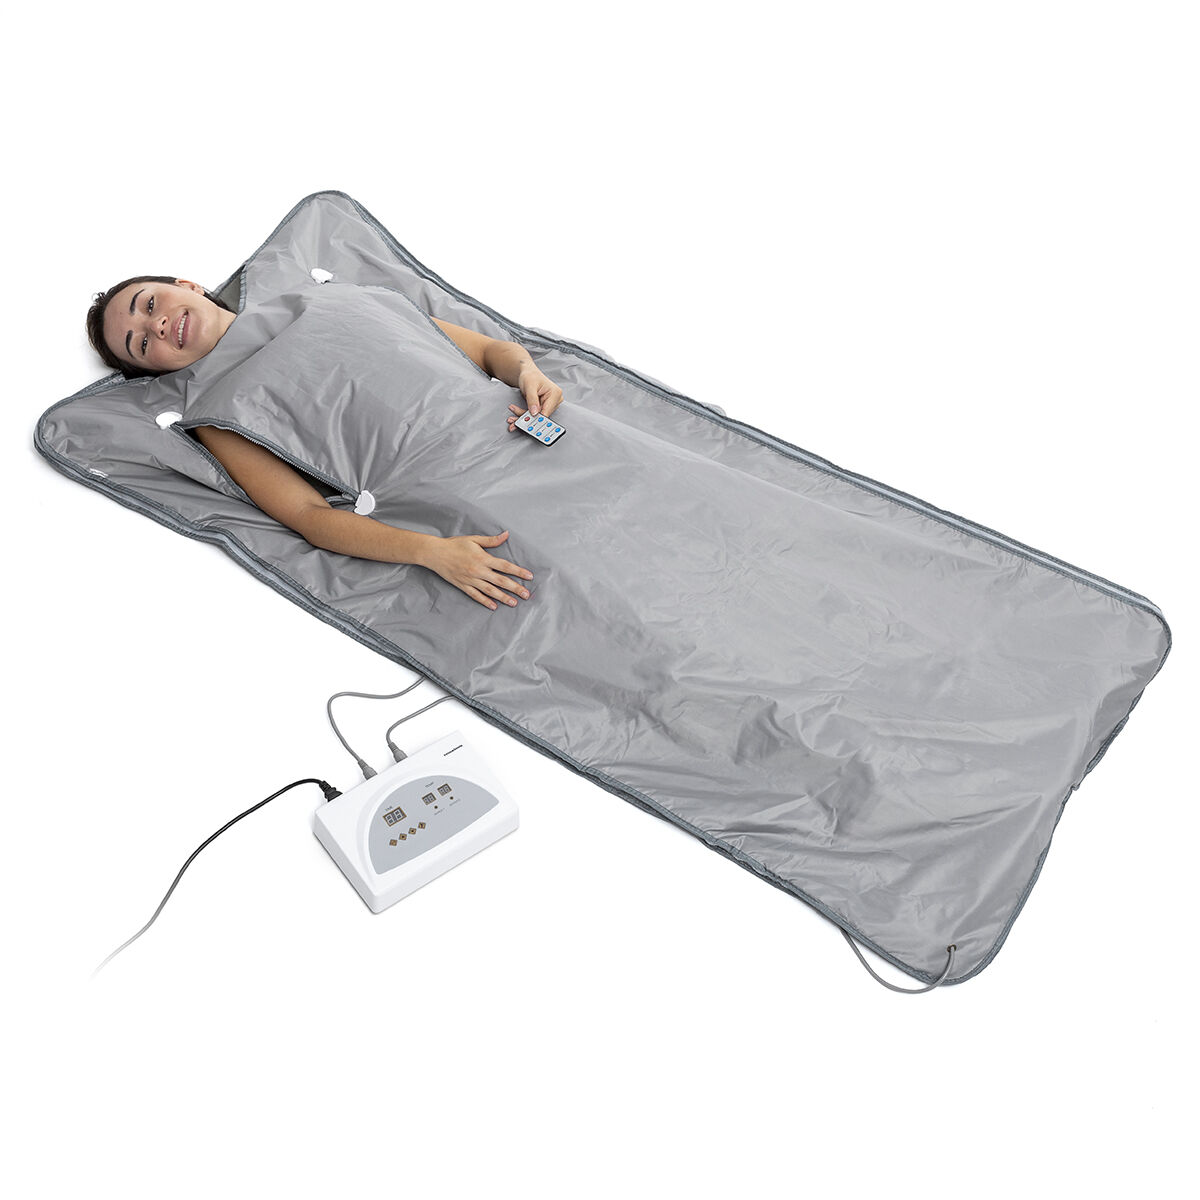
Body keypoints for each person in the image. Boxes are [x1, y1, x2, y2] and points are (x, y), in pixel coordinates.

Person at [85, 275, 566, 613]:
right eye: (141, 344)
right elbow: (309, 517)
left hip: (523, 425)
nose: (156, 326)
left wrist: (527, 372)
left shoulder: (334, 298)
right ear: (158, 371)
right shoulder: (220, 417)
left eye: (150, 305)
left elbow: (486, 350)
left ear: (188, 285)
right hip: (466, 492)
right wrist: (432, 552)